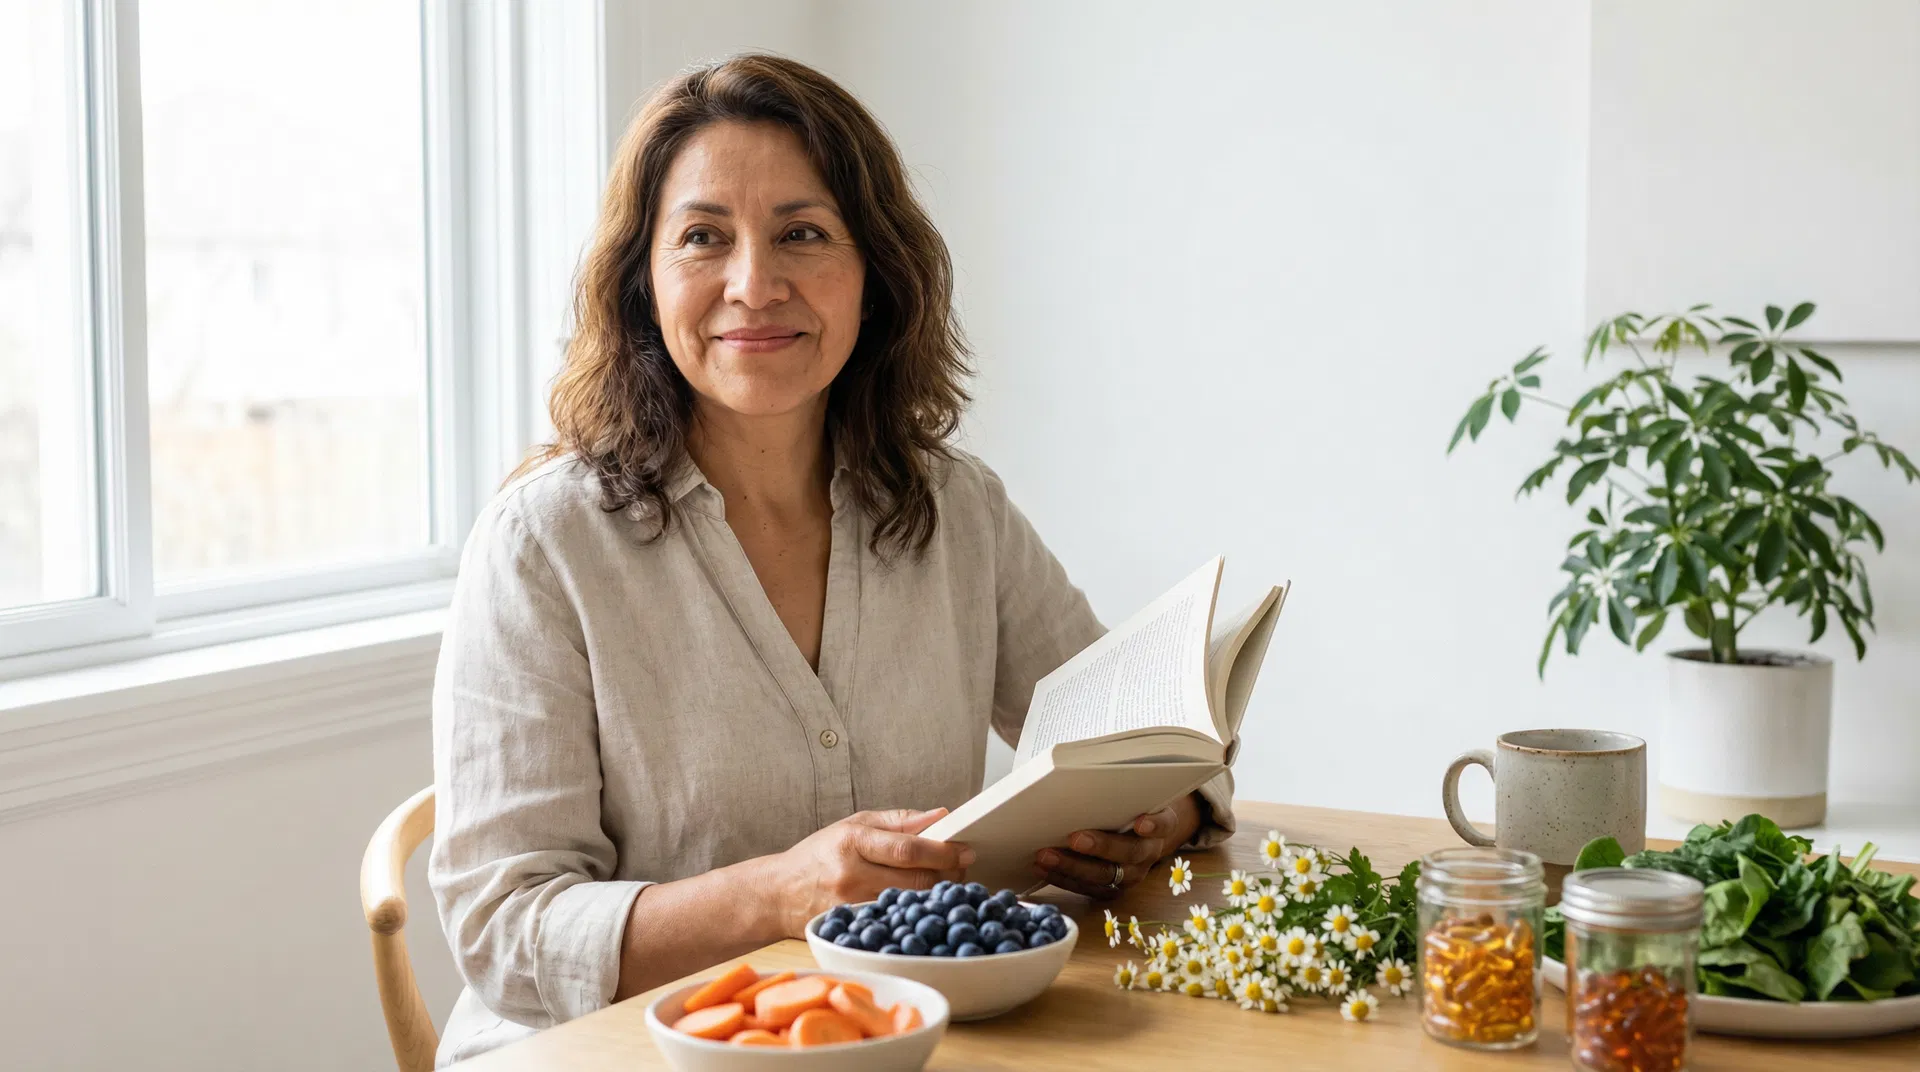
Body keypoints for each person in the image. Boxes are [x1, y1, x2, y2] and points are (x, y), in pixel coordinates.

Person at [428, 53, 1235, 1064]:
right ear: (644, 280)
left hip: (899, 1037)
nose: (753, 285)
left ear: (874, 276)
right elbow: (507, 935)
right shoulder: (541, 545)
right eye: (703, 238)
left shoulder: (957, 508)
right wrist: (780, 891)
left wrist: (1167, 808)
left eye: (803, 234)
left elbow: (1137, 732)